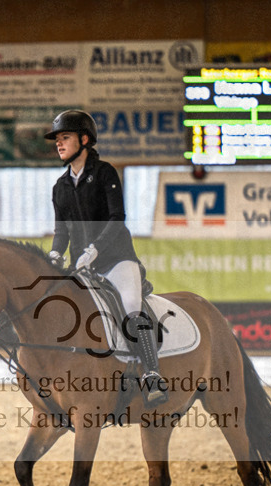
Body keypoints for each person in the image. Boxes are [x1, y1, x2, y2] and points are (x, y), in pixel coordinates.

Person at [43, 109, 168, 408]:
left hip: (116, 260)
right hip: (83, 266)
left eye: (65, 138)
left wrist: (94, 249)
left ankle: (152, 374)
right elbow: (62, 230)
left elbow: (117, 218)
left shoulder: (105, 173)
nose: (59, 144)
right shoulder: (59, 186)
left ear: (84, 140)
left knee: (130, 307)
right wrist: (55, 253)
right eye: (57, 139)